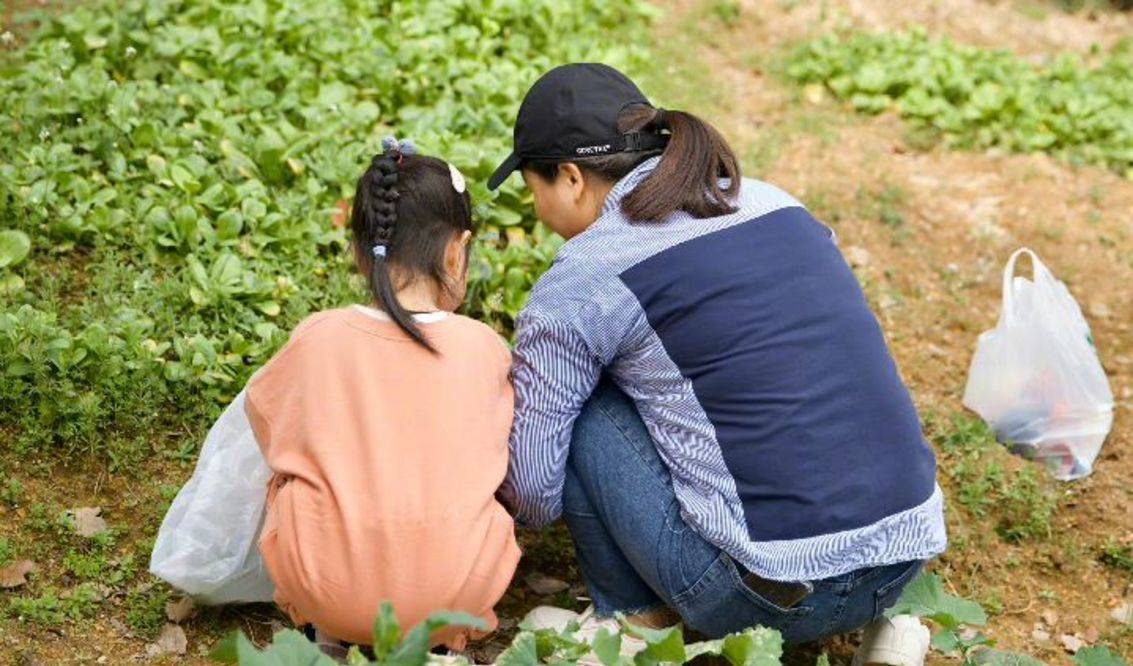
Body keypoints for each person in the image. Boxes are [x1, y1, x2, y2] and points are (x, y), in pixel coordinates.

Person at [491, 64, 945, 666]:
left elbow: (535, 495)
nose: (539, 210)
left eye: (532, 189)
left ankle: (629, 623)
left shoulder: (586, 276)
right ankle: (891, 625)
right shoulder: (773, 202)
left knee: (585, 403)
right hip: (902, 563)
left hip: (763, 600)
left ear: (570, 178)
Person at [245, 139, 519, 649]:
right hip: (453, 599)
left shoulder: (319, 336)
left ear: (357, 251)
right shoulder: (484, 348)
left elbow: (262, 419)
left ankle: (325, 623)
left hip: (329, 593)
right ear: (457, 252)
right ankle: (441, 641)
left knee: (285, 474)